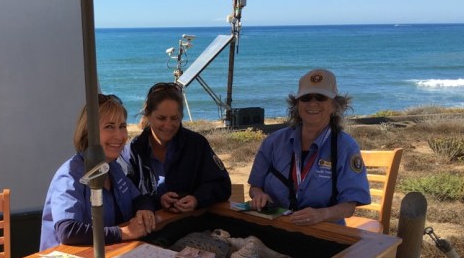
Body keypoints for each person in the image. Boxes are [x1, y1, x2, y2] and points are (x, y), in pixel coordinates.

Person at [248, 68, 370, 226]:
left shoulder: (345, 147)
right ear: (297, 104)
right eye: (305, 98)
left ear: (334, 106)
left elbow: (349, 206)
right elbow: (255, 186)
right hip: (277, 226)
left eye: (321, 97)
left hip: (324, 232)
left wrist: (322, 214)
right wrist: (258, 195)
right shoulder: (274, 141)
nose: (313, 103)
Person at [39, 94, 156, 251]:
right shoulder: (70, 174)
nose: (120, 135)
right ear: (89, 132)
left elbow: (139, 199)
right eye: (109, 126)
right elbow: (68, 231)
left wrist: (145, 210)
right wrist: (123, 233)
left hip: (107, 256)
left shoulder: (112, 167)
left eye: (122, 126)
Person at [121, 82, 231, 213]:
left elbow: (222, 185)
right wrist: (158, 200)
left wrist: (197, 199)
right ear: (148, 115)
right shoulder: (132, 151)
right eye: (161, 118)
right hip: (151, 229)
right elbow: (126, 198)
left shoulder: (197, 145)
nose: (168, 125)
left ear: (181, 117)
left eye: (174, 118)